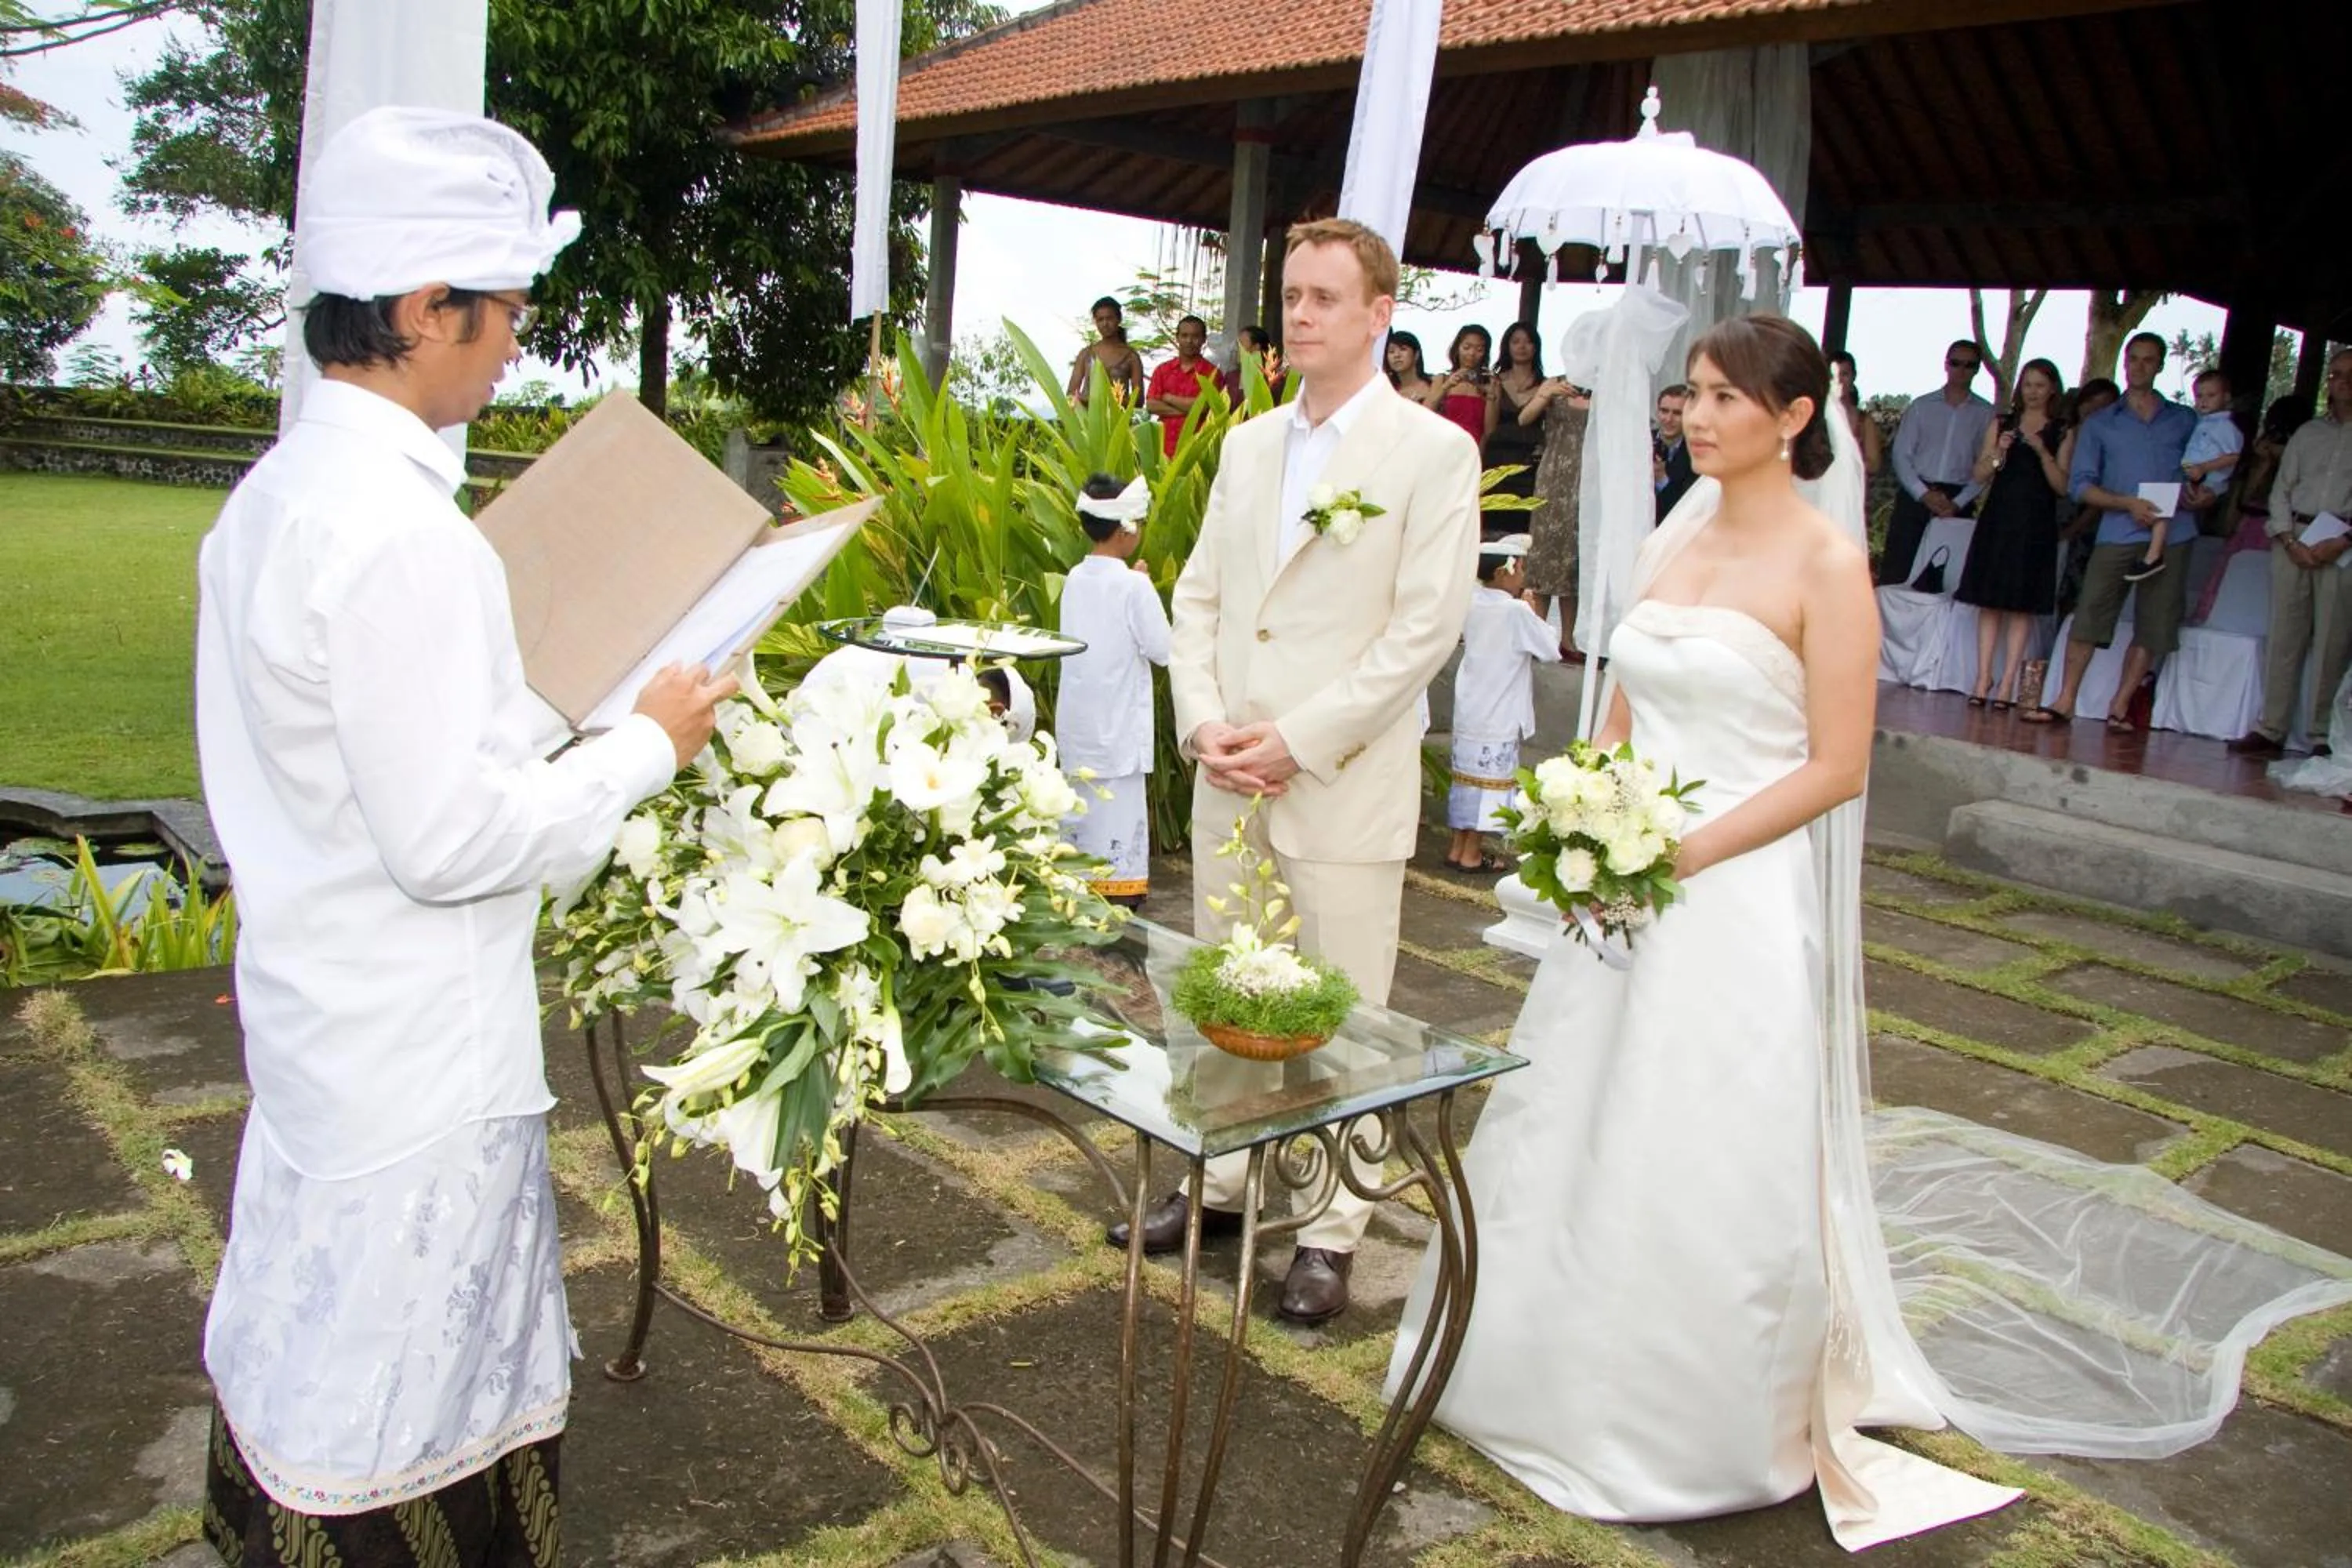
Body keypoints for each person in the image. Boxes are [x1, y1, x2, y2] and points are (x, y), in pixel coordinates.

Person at [1389, 312, 2352, 1549]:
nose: (1699, 415)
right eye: (1691, 394)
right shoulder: (1672, 540)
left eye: (1728, 397)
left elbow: (1838, 766)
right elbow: (1625, 705)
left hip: (1731, 891)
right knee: (1577, 1113)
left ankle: (1685, 1414)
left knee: (1697, 1132)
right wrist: (1587, 824)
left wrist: (1681, 848)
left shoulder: (1825, 564)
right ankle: (1531, 1361)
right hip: (1623, 885)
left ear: (1796, 420)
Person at [193, 107, 737, 1562]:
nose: (515, 352)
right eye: (503, 317)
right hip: (416, 1047)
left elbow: (372, 760)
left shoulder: (276, 500)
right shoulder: (401, 532)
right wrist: (643, 743)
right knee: (404, 1376)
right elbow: (447, 839)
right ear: (426, 310)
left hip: (327, 1007)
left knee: (320, 1333)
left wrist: (546, 726)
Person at [1121, 216, 1480, 1324]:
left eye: (1328, 296)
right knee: (1224, 990)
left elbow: (1424, 632)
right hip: (1234, 772)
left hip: (1341, 777)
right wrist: (1206, 726)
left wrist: (1301, 737)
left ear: (1381, 314)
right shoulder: (1246, 444)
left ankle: (1331, 1227)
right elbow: (1201, 602)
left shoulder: (1432, 453)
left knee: (1347, 1013)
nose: (1303, 314)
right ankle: (1221, 1179)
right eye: (1293, 294)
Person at [2027, 332, 2196, 731]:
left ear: (2160, 364)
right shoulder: (2103, 423)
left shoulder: (2185, 420)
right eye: (2133, 359)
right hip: (2119, 529)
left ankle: (2119, 705)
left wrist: (2203, 492)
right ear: (2124, 362)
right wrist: (2128, 504)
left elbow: (2204, 468)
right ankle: (2065, 700)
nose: (2139, 367)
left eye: (2148, 360)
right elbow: (2079, 485)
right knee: (2091, 614)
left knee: (2153, 622)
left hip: (2174, 532)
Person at [2227, 347, 2352, 760]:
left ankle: (2320, 734)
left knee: (2333, 640)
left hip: (2343, 542)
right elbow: (2281, 488)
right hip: (2293, 538)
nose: (2340, 382)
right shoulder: (2308, 433)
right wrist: (2288, 538)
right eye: (2334, 375)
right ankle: (2271, 728)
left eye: (2349, 374)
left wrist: (2342, 542)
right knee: (2284, 636)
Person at [1055, 474, 1171, 906]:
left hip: (1080, 722)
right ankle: (1118, 894)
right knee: (1117, 810)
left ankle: (1077, 887)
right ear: (1125, 529)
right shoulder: (1133, 586)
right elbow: (1162, 649)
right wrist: (1143, 586)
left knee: (1082, 811)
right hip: (1118, 724)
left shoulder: (1073, 577)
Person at [1955, 358, 2070, 708]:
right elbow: (1979, 475)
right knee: (1988, 602)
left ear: (2052, 389)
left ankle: (2007, 684)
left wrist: (2041, 451)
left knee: (2021, 607)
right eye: (2027, 384)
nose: (2032, 391)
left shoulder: (2063, 430)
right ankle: (1983, 676)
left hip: (2035, 522)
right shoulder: (2002, 423)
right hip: (2000, 518)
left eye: (2039, 385)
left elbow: (2063, 486)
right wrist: (1999, 451)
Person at [1446, 535, 1559, 872]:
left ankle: (1457, 847)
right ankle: (1472, 853)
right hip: (1499, 706)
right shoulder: (1514, 611)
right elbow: (1549, 649)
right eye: (1520, 568)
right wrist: (1534, 609)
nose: (1523, 574)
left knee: (1466, 778)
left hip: (1471, 703)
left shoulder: (1471, 601)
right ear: (1502, 573)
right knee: (1488, 784)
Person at [1881, 340, 1995, 583]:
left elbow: (1986, 466)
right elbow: (1901, 455)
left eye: (1969, 365)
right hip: (1916, 495)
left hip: (1958, 498)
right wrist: (1923, 494)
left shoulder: (1986, 414)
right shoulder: (1921, 407)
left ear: (1977, 369)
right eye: (1956, 363)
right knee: (1897, 571)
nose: (1961, 370)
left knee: (1947, 577)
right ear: (1946, 365)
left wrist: (1959, 501)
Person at [2128, 368, 2240, 583]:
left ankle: (2153, 555)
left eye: (2211, 395)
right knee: (2162, 502)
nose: (2204, 401)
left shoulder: (2226, 426)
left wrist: (2204, 468)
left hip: (2208, 480)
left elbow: (2234, 456)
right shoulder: (2202, 421)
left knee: (2161, 500)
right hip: (2194, 476)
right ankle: (2153, 551)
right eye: (2200, 396)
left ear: (2226, 397)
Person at [1519, 370, 1590, 659]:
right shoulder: (1555, 383)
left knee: (1573, 555)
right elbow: (1525, 419)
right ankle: (1537, 633)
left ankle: (1568, 639)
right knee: (1544, 553)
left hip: (1586, 478)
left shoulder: (1605, 391)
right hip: (1553, 474)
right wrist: (1546, 395)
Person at [1481, 321, 1548, 508]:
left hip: (1531, 459)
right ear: (1507, 346)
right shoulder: (1496, 381)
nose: (1522, 347)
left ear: (1536, 347)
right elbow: (1489, 428)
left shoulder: (1546, 385)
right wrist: (1493, 395)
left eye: (1528, 342)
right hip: (1499, 456)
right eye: (1516, 341)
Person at [1144, 314, 1229, 457]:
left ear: (1204, 340)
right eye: (1184, 336)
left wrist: (1168, 397)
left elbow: (1204, 408)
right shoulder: (1162, 370)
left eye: (1195, 336)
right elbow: (1152, 406)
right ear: (1177, 338)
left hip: (1198, 449)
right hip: (1164, 448)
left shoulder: (1212, 373)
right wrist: (1191, 410)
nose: (1189, 341)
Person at [1067, 296, 1145, 405]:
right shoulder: (1086, 354)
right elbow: (1071, 394)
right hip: (1087, 419)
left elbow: (1138, 400)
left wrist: (1108, 402)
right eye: (1100, 320)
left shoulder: (1131, 357)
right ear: (1095, 322)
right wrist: (1088, 402)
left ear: (1119, 319)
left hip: (1119, 420)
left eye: (1109, 318)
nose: (1105, 324)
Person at [1429, 324, 1493, 445]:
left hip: (1474, 447)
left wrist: (1491, 396)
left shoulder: (1490, 384)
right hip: (1444, 446)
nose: (1472, 353)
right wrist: (1446, 387)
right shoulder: (1442, 379)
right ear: (1457, 348)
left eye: (1479, 350)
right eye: (1466, 347)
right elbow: (1426, 413)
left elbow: (1489, 430)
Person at [1828, 350, 1886, 474]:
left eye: (1844, 374)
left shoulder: (1864, 421)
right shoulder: (1813, 417)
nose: (1839, 380)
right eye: (1834, 375)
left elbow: (1874, 464)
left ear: (1854, 376)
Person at [1652, 383, 1696, 521]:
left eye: (1677, 413)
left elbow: (1690, 507)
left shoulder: (1696, 452)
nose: (1669, 419)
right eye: (1664, 411)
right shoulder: (1641, 441)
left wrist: (1662, 480)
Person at [1385, 328, 1435, 403]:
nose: (1397, 355)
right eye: (1391, 352)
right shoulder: (1389, 392)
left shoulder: (1434, 383)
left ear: (1416, 355)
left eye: (1403, 349)